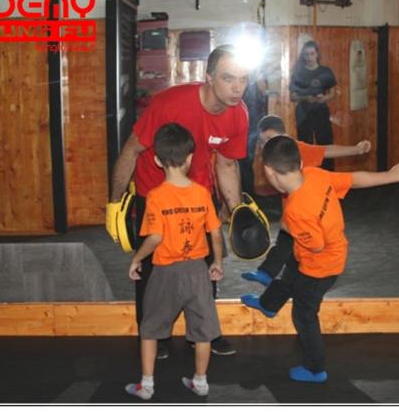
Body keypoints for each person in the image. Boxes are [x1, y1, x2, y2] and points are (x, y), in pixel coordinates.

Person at [106, 45, 249, 359]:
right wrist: (115, 203)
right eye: (228, 78)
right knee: (152, 266)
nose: (237, 87)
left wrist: (236, 210)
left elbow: (226, 165)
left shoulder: (239, 114)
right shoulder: (170, 103)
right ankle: (153, 335)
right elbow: (131, 150)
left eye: (243, 79)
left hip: (198, 192)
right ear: (208, 77)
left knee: (205, 264)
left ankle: (205, 333)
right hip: (153, 189)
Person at [242, 136, 399, 382]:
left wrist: (289, 228)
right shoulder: (314, 174)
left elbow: (316, 245)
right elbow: (354, 179)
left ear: (268, 171)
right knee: (289, 274)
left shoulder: (296, 209)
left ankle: (315, 368)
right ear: (299, 163)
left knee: (304, 315)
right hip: (326, 254)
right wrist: (389, 175)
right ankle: (268, 304)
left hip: (320, 267)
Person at [125, 124, 224, 400]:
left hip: (166, 271)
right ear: (191, 158)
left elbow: (155, 238)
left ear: (157, 160)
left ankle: (146, 385)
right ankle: (201, 382)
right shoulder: (203, 193)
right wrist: (217, 262)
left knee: (150, 328)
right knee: (203, 332)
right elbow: (216, 233)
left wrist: (136, 258)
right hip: (197, 270)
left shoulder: (155, 197)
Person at [240, 115, 371, 286]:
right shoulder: (272, 156)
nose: (265, 145)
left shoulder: (296, 148)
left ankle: (292, 279)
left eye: (269, 139)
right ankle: (267, 274)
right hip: (293, 214)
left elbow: (326, 150)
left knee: (293, 248)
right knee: (284, 242)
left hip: (307, 214)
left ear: (285, 135)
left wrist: (356, 149)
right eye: (262, 141)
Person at [290, 40, 337, 171]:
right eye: (306, 54)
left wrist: (324, 98)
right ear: (303, 56)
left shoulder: (326, 71)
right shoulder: (298, 73)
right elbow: (292, 96)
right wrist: (306, 98)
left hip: (321, 112)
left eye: (312, 54)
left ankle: (328, 176)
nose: (309, 57)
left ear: (317, 54)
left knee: (326, 145)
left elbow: (333, 93)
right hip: (303, 114)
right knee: (306, 147)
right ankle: (308, 176)